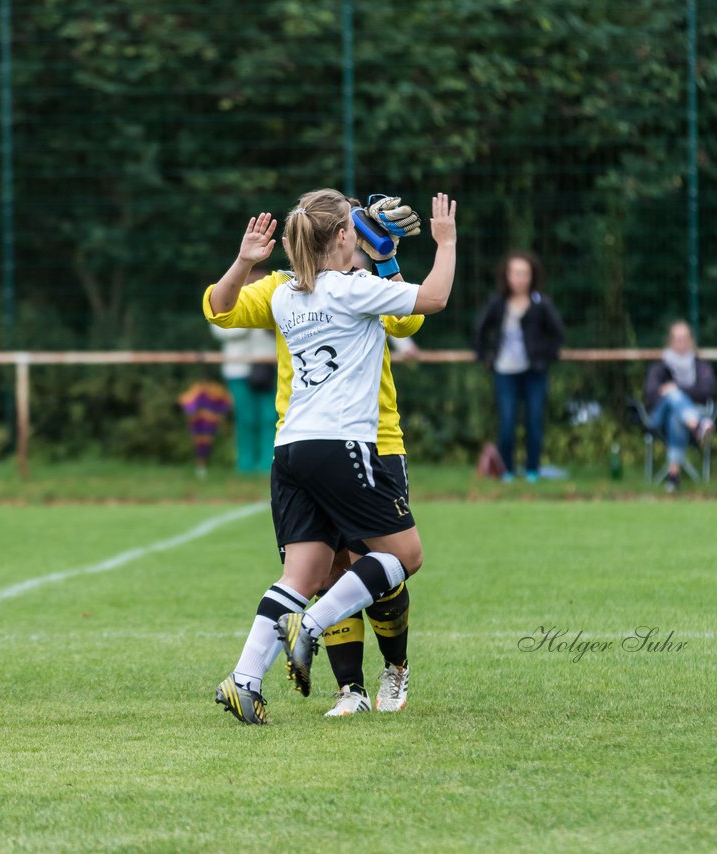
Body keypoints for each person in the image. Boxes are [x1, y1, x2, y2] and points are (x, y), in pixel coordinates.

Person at [209, 189, 456, 724]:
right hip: (344, 443)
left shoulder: (282, 294)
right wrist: (445, 243)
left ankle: (244, 680)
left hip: (292, 449)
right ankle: (317, 632)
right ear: (345, 236)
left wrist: (247, 260)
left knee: (304, 571)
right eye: (353, 224)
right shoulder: (354, 288)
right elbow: (431, 301)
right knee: (403, 557)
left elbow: (224, 308)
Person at [472, 251, 564, 483]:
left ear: (532, 276)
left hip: (534, 372)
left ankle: (532, 470)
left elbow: (557, 334)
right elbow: (479, 331)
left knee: (534, 420)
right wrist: (486, 357)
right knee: (507, 421)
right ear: (507, 276)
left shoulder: (541, 303)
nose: (520, 278)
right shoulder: (498, 303)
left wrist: (544, 356)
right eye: (515, 273)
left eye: (525, 273)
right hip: (505, 371)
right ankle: (507, 471)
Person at [643, 321, 717, 492]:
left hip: (679, 419)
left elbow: (707, 390)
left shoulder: (701, 366)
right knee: (673, 397)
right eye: (677, 339)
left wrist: (677, 388)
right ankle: (698, 425)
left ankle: (673, 476)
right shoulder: (659, 367)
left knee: (676, 416)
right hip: (658, 420)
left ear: (691, 340)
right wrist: (671, 393)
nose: (681, 343)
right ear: (670, 341)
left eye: (684, 338)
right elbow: (650, 394)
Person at [208, 309, 276, 475]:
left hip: (268, 366)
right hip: (237, 368)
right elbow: (218, 327)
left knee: (270, 417)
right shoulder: (229, 290)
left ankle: (269, 465)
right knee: (245, 418)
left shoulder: (274, 286)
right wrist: (251, 318)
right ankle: (245, 466)